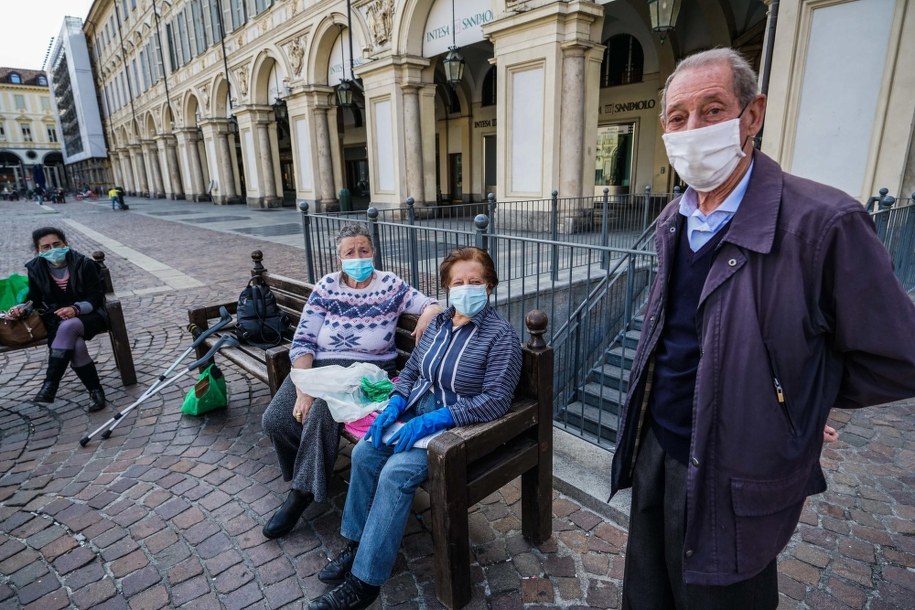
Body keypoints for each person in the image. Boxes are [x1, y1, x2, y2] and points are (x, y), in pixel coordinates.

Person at [609, 48, 915, 609]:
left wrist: (797, 397)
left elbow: (900, 356)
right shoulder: (674, 220)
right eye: (679, 118)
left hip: (735, 469)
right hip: (658, 447)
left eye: (712, 109)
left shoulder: (823, 223)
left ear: (752, 117)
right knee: (647, 595)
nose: (693, 129)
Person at [309, 247, 523, 610]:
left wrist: (436, 419)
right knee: (364, 453)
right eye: (459, 282)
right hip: (412, 416)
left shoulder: (500, 336)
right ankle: (357, 544)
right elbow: (411, 373)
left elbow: (498, 399)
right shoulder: (440, 323)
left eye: (475, 281)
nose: (466, 288)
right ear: (447, 287)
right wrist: (394, 403)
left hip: (455, 432)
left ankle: (364, 583)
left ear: (489, 286)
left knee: (395, 472)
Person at [260, 223, 442, 539]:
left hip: (365, 373)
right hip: (319, 369)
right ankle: (310, 469)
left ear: (373, 253)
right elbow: (303, 340)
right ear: (339, 258)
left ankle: (301, 494)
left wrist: (429, 311)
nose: (358, 257)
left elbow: (432, 304)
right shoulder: (326, 287)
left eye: (364, 250)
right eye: (350, 252)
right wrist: (304, 388)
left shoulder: (391, 286)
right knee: (275, 420)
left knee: (320, 414)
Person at [8, 227, 110, 411]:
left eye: (56, 244)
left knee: (69, 326)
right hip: (57, 318)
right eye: (45, 247)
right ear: (38, 250)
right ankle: (96, 392)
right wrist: (22, 308)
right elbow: (35, 298)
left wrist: (75, 309)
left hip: (89, 315)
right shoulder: (36, 267)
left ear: (66, 244)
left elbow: (96, 297)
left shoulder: (84, 263)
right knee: (76, 344)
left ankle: (51, 384)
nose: (52, 250)